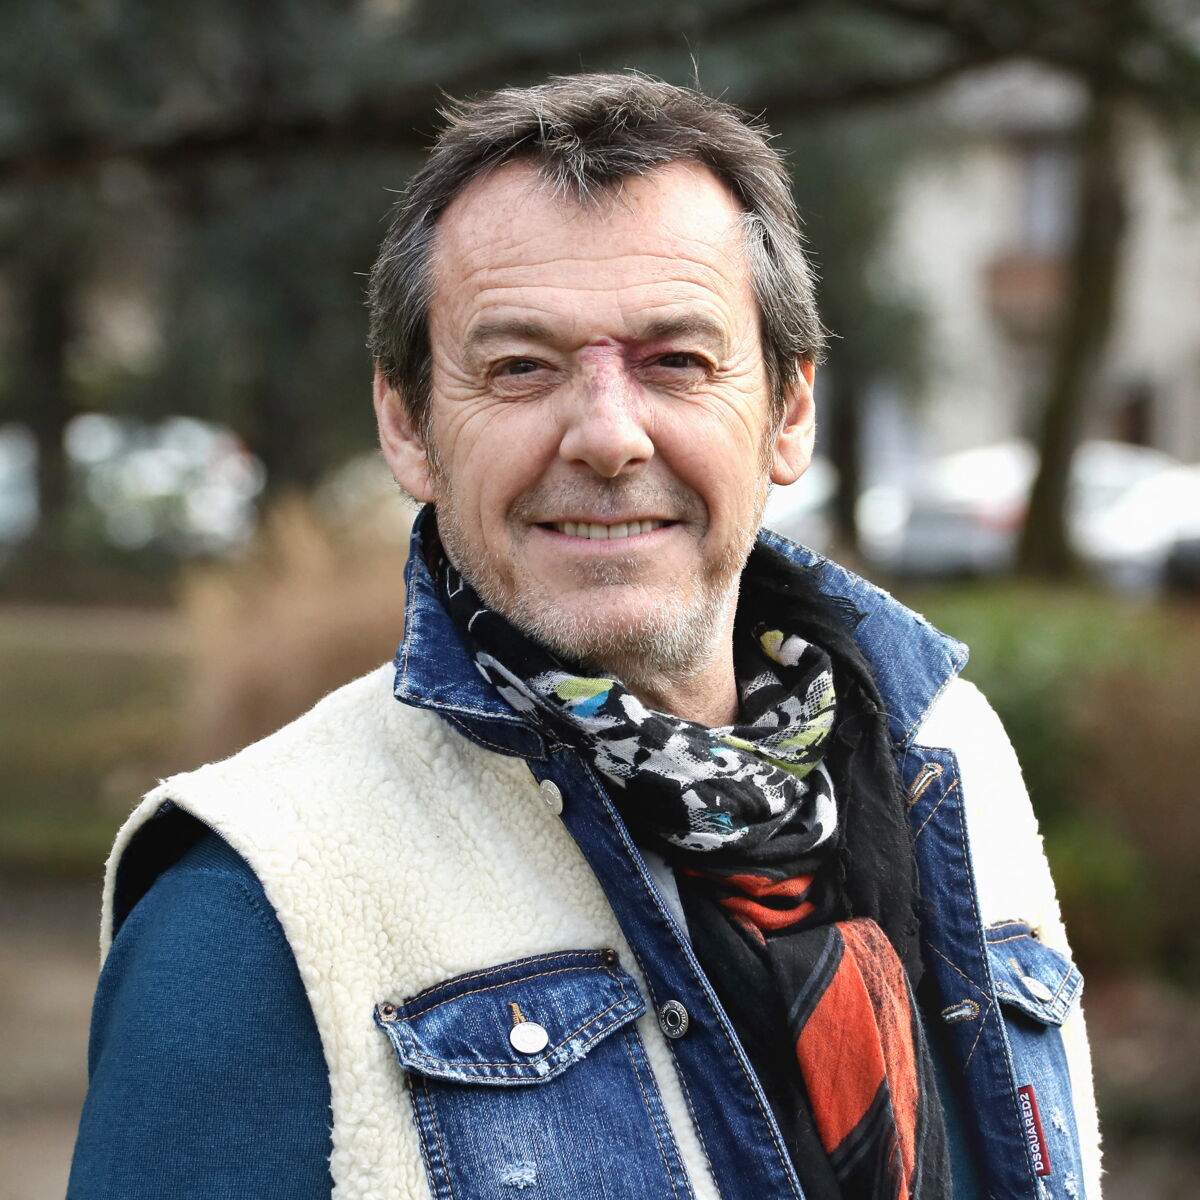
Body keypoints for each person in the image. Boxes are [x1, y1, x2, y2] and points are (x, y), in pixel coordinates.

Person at [69, 73, 1100, 1200]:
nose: (608, 437)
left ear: (789, 410)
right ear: (408, 427)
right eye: (521, 366)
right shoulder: (251, 912)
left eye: (676, 361)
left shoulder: (954, 758)